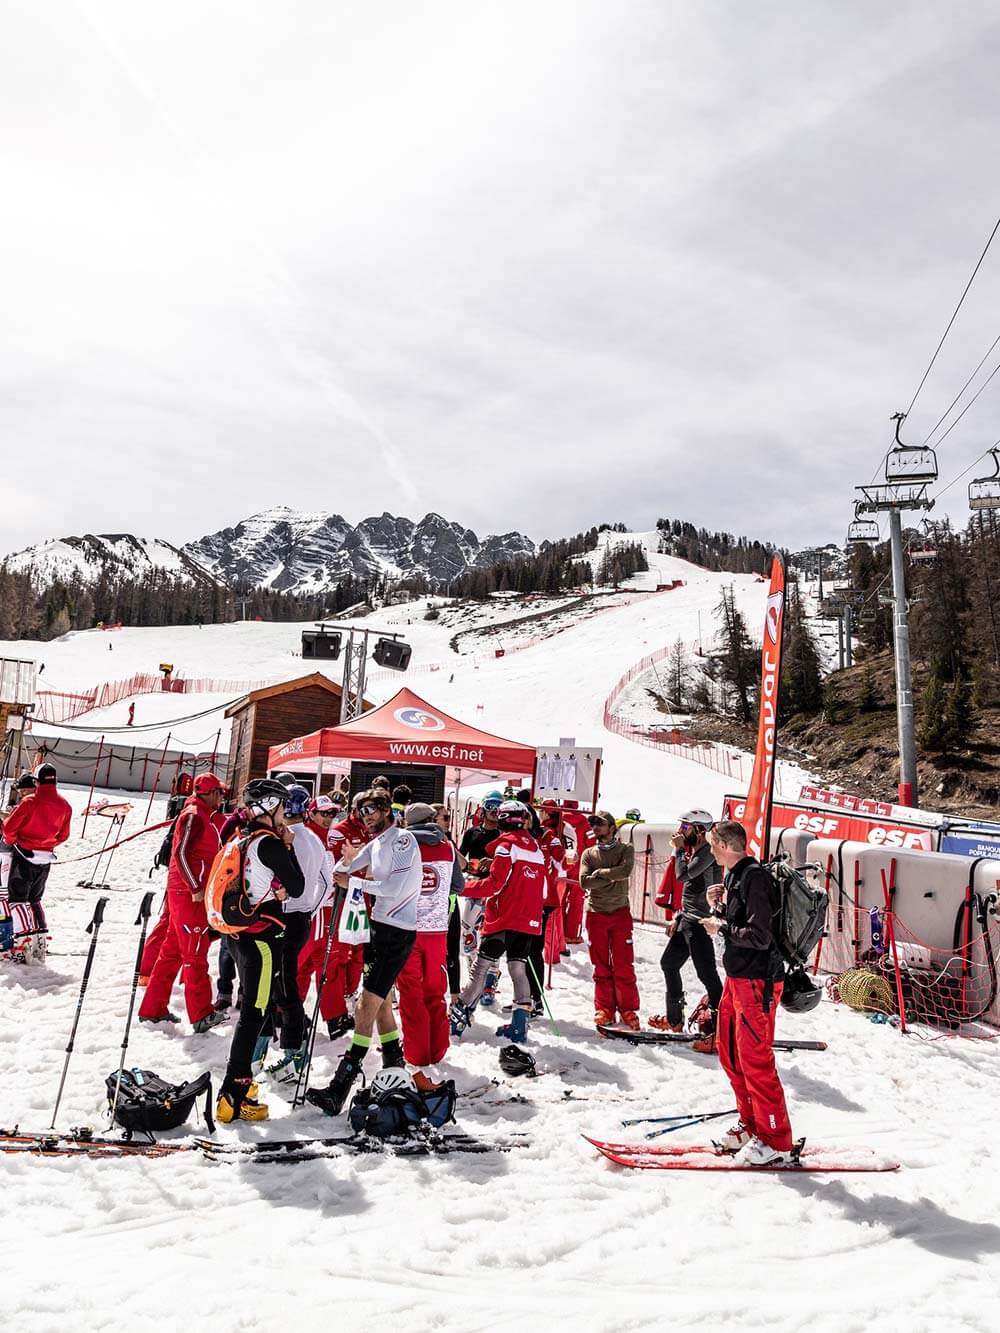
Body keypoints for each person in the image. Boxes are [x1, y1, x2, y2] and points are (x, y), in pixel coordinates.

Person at [307, 790, 422, 1116]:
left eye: (371, 809)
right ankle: (394, 1068)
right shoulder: (376, 843)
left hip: (398, 933)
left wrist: (355, 883)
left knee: (363, 1007)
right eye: (361, 811)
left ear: (386, 810)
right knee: (382, 1005)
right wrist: (345, 860)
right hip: (378, 929)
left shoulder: (402, 840)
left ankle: (340, 1085)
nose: (366, 816)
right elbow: (340, 871)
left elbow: (395, 888)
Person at [701, 820, 793, 1167]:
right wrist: (720, 909)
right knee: (731, 1054)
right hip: (738, 978)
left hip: (758, 981)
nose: (711, 850)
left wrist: (721, 926)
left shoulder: (755, 877)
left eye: (713, 844)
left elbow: (760, 935)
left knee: (755, 1060)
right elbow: (742, 923)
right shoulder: (734, 876)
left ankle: (775, 1138)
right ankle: (751, 1124)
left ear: (726, 845)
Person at [216, 779, 306, 1122]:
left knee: (254, 1010)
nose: (285, 813)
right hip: (262, 940)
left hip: (241, 935)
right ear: (269, 807)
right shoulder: (269, 843)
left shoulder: (244, 837)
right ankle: (233, 1094)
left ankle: (239, 1086)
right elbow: (297, 885)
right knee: (255, 1013)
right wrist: (289, 847)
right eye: (282, 806)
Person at [138, 773, 228, 1033]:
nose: (222, 797)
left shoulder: (203, 814)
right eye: (220, 793)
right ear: (210, 793)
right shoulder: (194, 815)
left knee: (171, 954)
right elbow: (181, 852)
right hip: (188, 896)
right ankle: (201, 1014)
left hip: (186, 893)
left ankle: (153, 1009)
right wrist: (195, 887)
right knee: (195, 953)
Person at [450, 800, 545, 1044]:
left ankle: (457, 1019)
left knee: (480, 968)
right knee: (518, 969)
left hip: (504, 918)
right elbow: (538, 886)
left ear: (502, 819)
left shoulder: (506, 845)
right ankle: (519, 1027)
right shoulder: (535, 847)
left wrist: (462, 887)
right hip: (529, 920)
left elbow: (494, 885)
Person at [257, 784, 329, 1076]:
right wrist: (309, 908)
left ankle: (289, 1051)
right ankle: (280, 1049)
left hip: (279, 917)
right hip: (301, 918)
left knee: (275, 985)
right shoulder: (314, 839)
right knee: (282, 983)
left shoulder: (281, 838)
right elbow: (326, 882)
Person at [397, 803, 464, 1089]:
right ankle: (437, 1049)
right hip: (437, 930)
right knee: (435, 992)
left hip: (408, 928)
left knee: (410, 992)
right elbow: (458, 886)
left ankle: (416, 1053)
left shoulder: (402, 844)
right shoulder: (448, 847)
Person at [651, 809, 724, 1048]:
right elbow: (690, 890)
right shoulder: (696, 851)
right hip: (687, 919)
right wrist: (678, 916)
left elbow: (683, 876)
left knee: (708, 976)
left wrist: (679, 850)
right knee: (669, 964)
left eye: (685, 827)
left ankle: (721, 1030)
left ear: (699, 831)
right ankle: (674, 1020)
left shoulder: (708, 853)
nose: (680, 831)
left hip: (700, 923)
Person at [297, 795, 356, 1039]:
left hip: (327, 908)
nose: (329, 817)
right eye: (324, 813)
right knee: (305, 963)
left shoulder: (326, 837)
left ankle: (334, 1017)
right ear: (310, 813)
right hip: (312, 909)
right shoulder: (306, 837)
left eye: (332, 813)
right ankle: (287, 1013)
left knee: (327, 963)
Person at [2, 763, 72, 957]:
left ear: (36, 781)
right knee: (35, 900)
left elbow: (9, 829)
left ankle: (23, 946)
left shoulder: (30, 802)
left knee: (17, 900)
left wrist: (12, 840)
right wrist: (48, 843)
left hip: (24, 854)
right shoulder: (65, 805)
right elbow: (64, 835)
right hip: (45, 858)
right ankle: (40, 944)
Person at [580, 811, 640, 1031]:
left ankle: (627, 1009)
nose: (595, 827)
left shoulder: (626, 849)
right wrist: (611, 877)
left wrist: (600, 874)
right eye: (593, 823)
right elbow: (584, 882)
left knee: (624, 964)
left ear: (612, 827)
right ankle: (605, 1008)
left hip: (620, 913)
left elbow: (626, 871)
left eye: (600, 823)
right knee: (600, 965)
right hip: (596, 914)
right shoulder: (588, 853)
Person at [529, 800, 566, 1013]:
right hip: (525, 899)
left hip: (544, 899)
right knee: (522, 953)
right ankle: (524, 998)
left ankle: (534, 999)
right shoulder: (519, 837)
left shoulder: (549, 835)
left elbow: (562, 862)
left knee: (533, 950)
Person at [433, 802, 465, 1003]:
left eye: (449, 817)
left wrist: (448, 843)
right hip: (429, 906)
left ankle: (455, 998)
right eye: (445, 818)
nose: (448, 821)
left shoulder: (448, 841)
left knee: (452, 950)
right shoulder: (419, 840)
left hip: (450, 903)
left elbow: (463, 864)